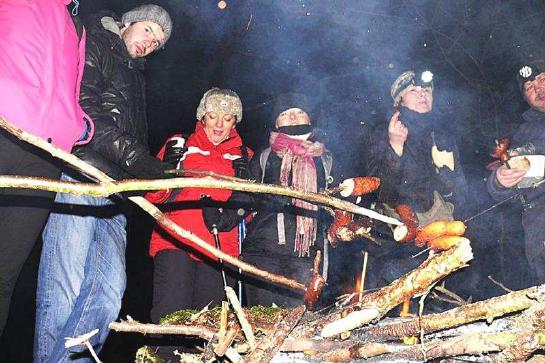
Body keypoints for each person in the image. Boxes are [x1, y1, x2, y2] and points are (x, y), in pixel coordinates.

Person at [34, 4, 173, 362]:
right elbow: (84, 109)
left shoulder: (137, 78)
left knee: (108, 293)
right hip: (80, 176)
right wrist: (137, 159)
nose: (150, 44)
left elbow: (136, 144)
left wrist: (153, 170)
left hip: (117, 195)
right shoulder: (96, 42)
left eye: (157, 42)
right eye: (148, 31)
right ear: (128, 22)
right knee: (64, 288)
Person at [0, 0, 92, 336]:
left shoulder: (77, 26)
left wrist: (79, 126)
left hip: (45, 154)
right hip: (3, 128)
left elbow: (74, 90)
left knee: (5, 274)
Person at [205, 93, 334, 307]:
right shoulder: (264, 157)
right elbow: (245, 193)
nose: (293, 117)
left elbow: (341, 202)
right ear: (276, 123)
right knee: (263, 325)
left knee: (298, 327)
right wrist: (221, 219)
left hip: (306, 255)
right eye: (285, 114)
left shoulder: (325, 160)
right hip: (262, 253)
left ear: (310, 120)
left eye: (299, 113)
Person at [146, 88, 251, 322]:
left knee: (211, 323)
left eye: (227, 118)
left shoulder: (245, 156)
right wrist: (162, 176)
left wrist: (234, 213)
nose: (218, 124)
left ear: (234, 122)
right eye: (213, 116)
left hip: (220, 248)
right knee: (171, 316)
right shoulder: (179, 146)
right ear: (202, 117)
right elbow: (153, 197)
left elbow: (252, 207)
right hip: (176, 241)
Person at [366, 70, 468, 287]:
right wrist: (395, 147)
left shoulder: (442, 135)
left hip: (441, 231)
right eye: (413, 90)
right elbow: (381, 192)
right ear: (399, 100)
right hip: (397, 240)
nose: (422, 94)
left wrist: (446, 176)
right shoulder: (384, 132)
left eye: (427, 90)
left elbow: (461, 191)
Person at [487, 61, 545, 284]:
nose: (538, 89)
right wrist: (499, 182)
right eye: (529, 88)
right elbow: (507, 193)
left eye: (542, 80)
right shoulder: (523, 134)